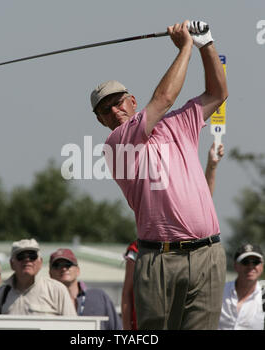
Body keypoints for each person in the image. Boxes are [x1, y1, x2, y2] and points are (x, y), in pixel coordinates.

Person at [90, 20, 228, 330]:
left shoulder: (178, 123)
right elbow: (164, 99)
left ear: (132, 102)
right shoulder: (117, 144)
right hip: (159, 259)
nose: (114, 111)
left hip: (208, 253)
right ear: (100, 121)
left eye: (118, 102)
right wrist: (186, 48)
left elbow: (218, 93)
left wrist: (207, 43)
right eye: (105, 110)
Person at [121, 143, 225, 330]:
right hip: (158, 258)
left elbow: (204, 202)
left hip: (200, 256)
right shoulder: (136, 167)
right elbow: (127, 294)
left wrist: (211, 166)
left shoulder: (183, 173)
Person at [0, 239, 77, 316]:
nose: (27, 260)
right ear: (12, 264)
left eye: (32, 256)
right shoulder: (2, 293)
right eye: (21, 256)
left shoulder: (57, 290)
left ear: (40, 262)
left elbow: (72, 326)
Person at [49, 248, 122, 330]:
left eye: (68, 264)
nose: (63, 268)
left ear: (78, 270)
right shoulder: (45, 300)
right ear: (50, 273)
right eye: (57, 265)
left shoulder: (100, 297)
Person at [218, 244, 265, 330]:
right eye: (245, 262)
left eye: (256, 262)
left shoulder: (263, 295)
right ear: (236, 265)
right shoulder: (219, 292)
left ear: (262, 266)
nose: (251, 266)